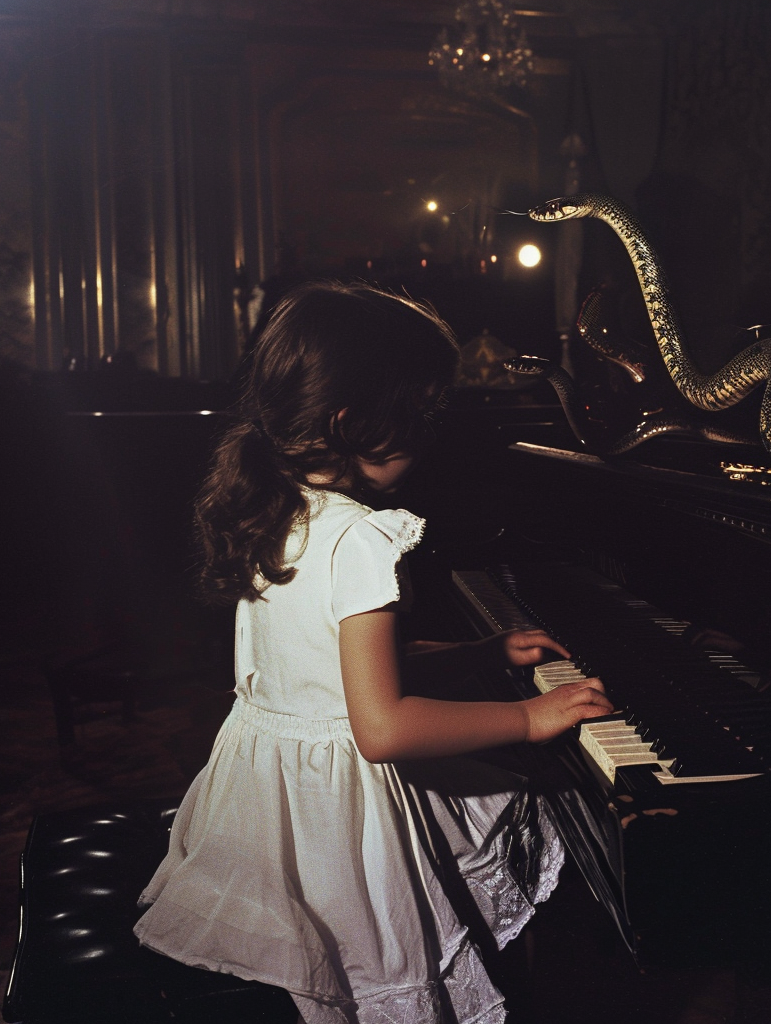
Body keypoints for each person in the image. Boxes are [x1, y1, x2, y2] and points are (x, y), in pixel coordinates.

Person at [133, 281, 612, 1024]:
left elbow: (329, 676)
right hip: (347, 814)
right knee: (538, 801)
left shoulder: (276, 505)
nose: (428, 434)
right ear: (351, 421)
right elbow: (381, 729)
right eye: (420, 415)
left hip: (278, 798)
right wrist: (532, 718)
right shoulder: (362, 538)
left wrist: (482, 653)